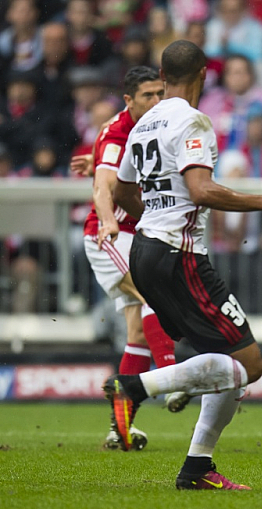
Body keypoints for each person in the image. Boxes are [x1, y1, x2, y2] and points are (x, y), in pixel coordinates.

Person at [110, 40, 262, 489]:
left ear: (161, 72)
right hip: (180, 256)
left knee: (224, 362)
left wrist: (156, 217)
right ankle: (136, 387)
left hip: (145, 250)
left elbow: (121, 193)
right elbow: (200, 190)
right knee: (249, 365)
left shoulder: (141, 125)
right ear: (202, 74)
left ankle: (197, 467)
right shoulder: (194, 120)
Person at [74, 66, 189, 450]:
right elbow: (104, 186)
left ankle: (118, 428)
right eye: (147, 96)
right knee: (151, 294)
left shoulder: (158, 124)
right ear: (128, 101)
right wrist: (107, 218)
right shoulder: (117, 129)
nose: (157, 101)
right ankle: (172, 377)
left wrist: (95, 164)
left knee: (138, 332)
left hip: (135, 233)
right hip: (108, 234)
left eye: (160, 93)